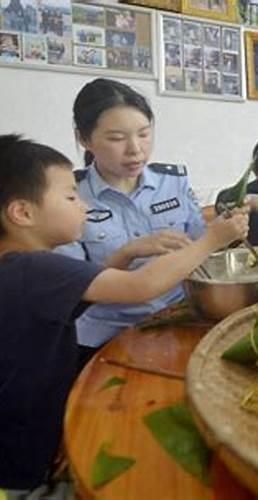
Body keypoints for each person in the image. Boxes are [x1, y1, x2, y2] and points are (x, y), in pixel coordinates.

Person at [0, 135, 247, 498]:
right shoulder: (36, 269)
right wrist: (211, 240)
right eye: (71, 196)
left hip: (6, 445)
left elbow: (101, 280)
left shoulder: (21, 272)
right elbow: (141, 286)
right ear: (23, 213)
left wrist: (126, 252)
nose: (83, 205)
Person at [55, 78, 209, 360]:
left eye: (144, 133)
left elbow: (204, 253)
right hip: (105, 340)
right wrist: (126, 252)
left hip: (181, 324)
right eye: (116, 138)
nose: (135, 149)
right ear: (84, 138)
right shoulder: (69, 198)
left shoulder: (173, 182)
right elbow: (75, 291)